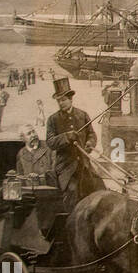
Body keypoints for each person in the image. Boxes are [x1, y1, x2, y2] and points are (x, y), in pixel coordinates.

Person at [45, 77, 96, 210]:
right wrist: (66, 136)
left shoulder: (83, 115)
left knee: (98, 188)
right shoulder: (53, 120)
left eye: (63, 100)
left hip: (84, 164)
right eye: (59, 101)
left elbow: (91, 134)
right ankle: (70, 222)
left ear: (70, 99)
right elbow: (50, 142)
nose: (61, 103)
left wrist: (90, 143)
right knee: (72, 190)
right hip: (65, 167)